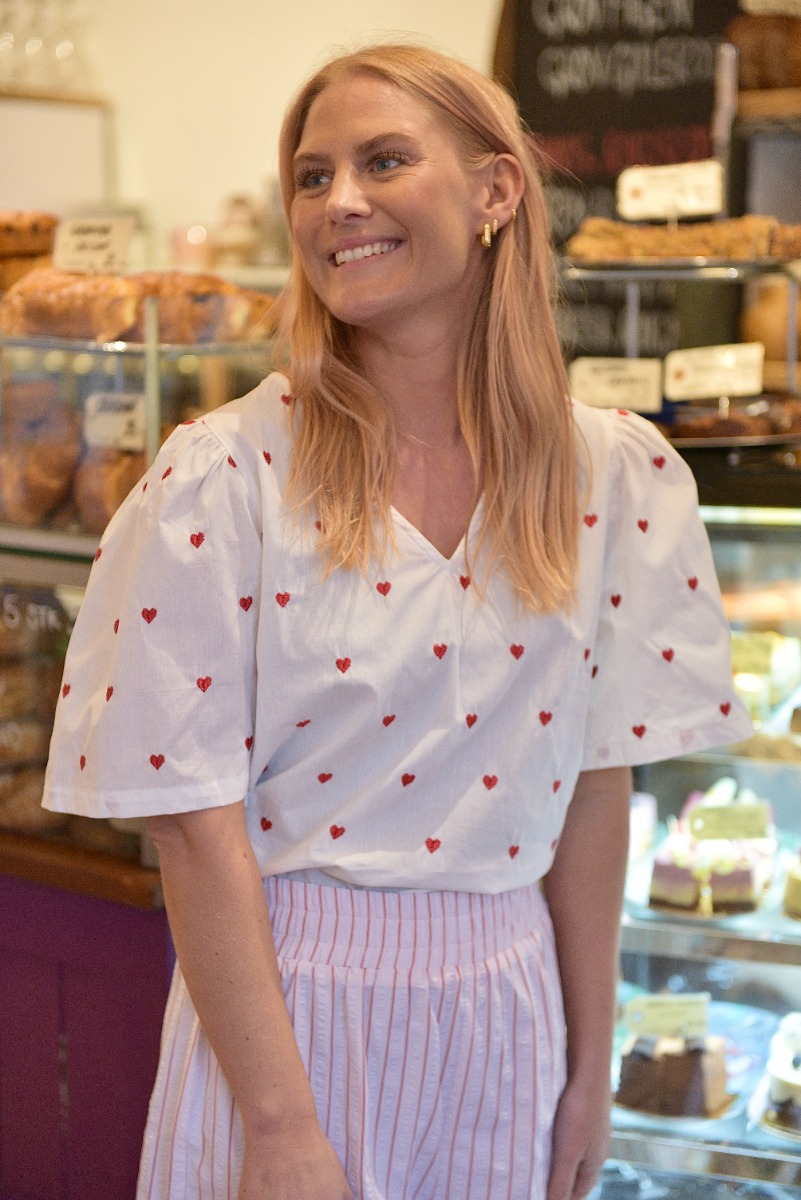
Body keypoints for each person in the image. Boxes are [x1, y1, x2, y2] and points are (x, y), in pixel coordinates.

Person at [42, 41, 751, 1200]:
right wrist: (279, 1125)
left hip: (511, 1005)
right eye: (311, 176)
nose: (340, 202)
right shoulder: (225, 475)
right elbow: (194, 826)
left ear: (495, 191)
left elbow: (594, 784)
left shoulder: (610, 474)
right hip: (285, 1011)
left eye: (382, 161)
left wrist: (590, 1065)